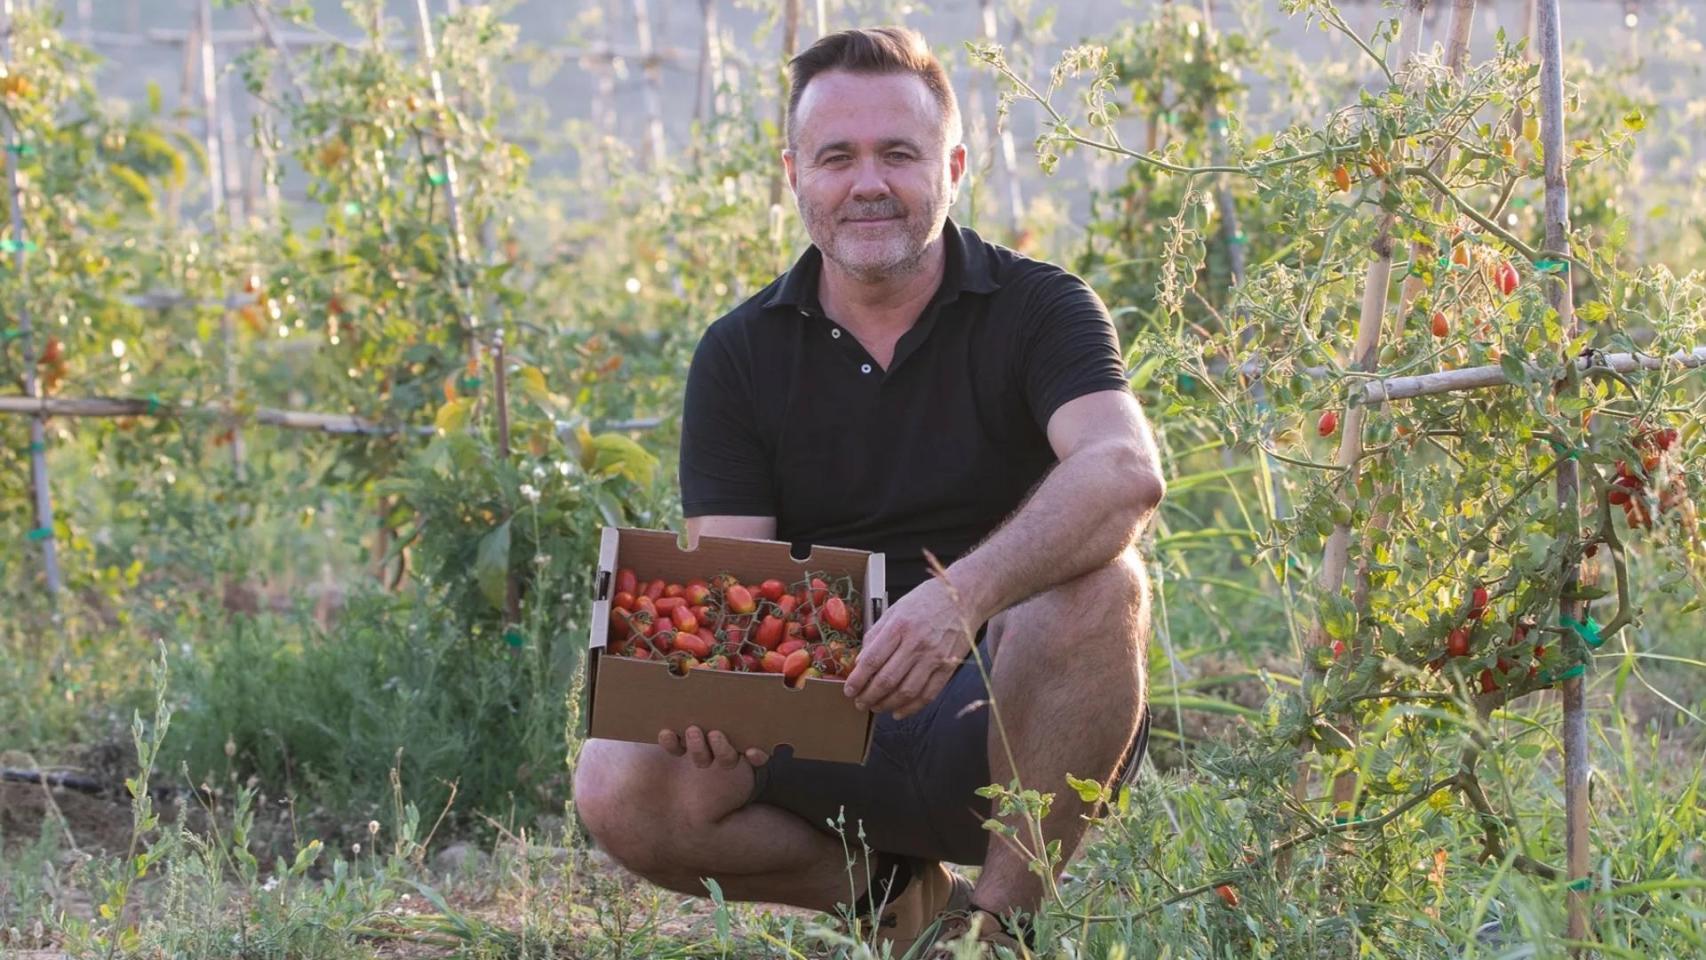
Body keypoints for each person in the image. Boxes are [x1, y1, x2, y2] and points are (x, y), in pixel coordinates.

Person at [573, 25, 1165, 957]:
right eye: (836, 157)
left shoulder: (1040, 308)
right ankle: (895, 902)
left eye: (899, 153)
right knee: (615, 780)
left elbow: (1125, 469)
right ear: (795, 174)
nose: (868, 183)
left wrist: (958, 598)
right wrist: (716, 706)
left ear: (955, 165)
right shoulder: (740, 354)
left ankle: (999, 928)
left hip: (1010, 721)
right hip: (823, 715)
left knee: (1107, 585)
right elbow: (736, 586)